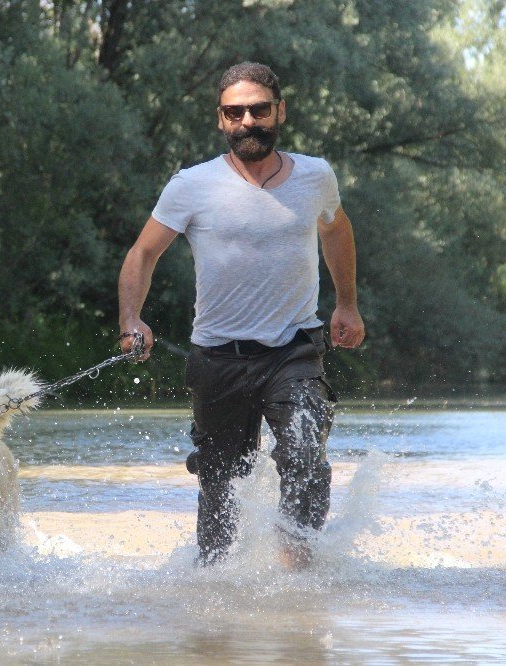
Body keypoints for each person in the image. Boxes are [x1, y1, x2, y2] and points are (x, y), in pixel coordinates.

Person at [117, 61, 365, 567]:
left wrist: (346, 304)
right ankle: (215, 594)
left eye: (257, 110)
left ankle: (296, 575)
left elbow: (335, 230)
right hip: (217, 357)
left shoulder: (314, 176)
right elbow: (142, 254)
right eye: (235, 112)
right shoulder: (192, 185)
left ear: (279, 111)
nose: (247, 121)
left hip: (295, 348)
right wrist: (130, 319)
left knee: (304, 455)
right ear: (220, 119)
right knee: (220, 481)